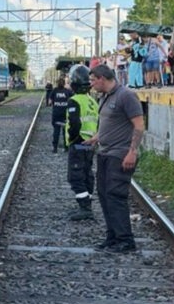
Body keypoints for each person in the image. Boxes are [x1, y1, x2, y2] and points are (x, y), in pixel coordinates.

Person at [85, 64, 144, 253]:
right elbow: (110, 123)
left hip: (120, 154)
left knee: (115, 196)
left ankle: (125, 240)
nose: (91, 84)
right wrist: (97, 138)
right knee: (104, 195)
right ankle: (112, 237)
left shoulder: (126, 96)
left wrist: (132, 151)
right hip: (105, 153)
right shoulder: (105, 97)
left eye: (93, 80)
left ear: (102, 78)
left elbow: (139, 125)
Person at [65, 65, 99, 221]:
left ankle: (85, 208)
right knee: (87, 174)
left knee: (75, 176)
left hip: (79, 144)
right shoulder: (92, 102)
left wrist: (72, 140)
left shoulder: (74, 101)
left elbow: (74, 124)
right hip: (90, 144)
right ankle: (87, 204)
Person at [49, 78, 72, 153]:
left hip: (56, 114)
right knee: (65, 131)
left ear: (57, 83)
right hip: (65, 114)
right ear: (64, 83)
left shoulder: (54, 91)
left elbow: (50, 102)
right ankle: (66, 147)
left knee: (56, 131)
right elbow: (72, 99)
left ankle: (55, 148)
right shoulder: (67, 91)